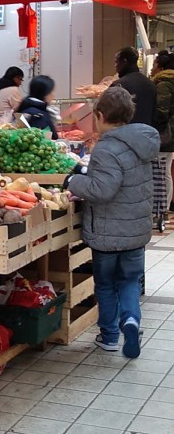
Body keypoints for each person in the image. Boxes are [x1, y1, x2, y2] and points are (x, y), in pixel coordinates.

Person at [67, 85, 159, 358]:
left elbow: (102, 189)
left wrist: (73, 180)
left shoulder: (107, 148)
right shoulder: (142, 143)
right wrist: (86, 171)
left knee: (106, 285)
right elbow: (122, 178)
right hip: (135, 231)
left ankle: (108, 336)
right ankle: (131, 319)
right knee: (130, 281)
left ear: (100, 115)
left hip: (107, 233)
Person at [152, 50, 174, 213]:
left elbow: (161, 111)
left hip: (165, 134)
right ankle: (164, 207)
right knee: (165, 170)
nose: (152, 68)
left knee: (161, 171)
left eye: (154, 64)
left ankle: (161, 208)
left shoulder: (164, 83)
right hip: (170, 133)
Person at [111, 46, 156, 126]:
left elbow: (111, 116)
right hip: (145, 133)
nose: (115, 65)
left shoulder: (119, 85)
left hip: (124, 135)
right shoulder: (151, 84)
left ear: (124, 62)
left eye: (116, 62)